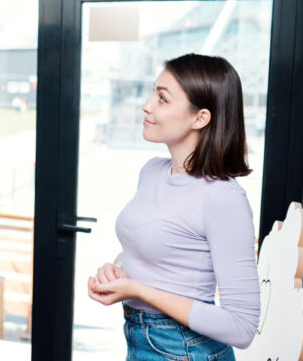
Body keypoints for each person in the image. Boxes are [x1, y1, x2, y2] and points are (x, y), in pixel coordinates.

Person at [87, 53, 260, 360]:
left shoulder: (223, 197)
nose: (147, 105)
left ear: (200, 118)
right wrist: (118, 269)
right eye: (154, 92)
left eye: (163, 98)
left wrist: (138, 290)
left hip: (185, 349)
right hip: (141, 337)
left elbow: (243, 327)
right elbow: (161, 253)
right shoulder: (152, 171)